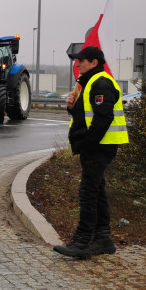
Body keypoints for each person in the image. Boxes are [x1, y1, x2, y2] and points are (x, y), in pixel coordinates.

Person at [54, 45, 129, 259]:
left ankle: (82, 241)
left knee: (88, 192)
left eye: (82, 61)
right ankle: (103, 238)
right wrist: (72, 106)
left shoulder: (101, 83)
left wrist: (88, 144)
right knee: (96, 190)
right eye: (77, 61)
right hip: (96, 145)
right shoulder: (89, 84)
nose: (77, 64)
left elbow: (103, 118)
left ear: (94, 63)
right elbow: (85, 115)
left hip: (99, 146)